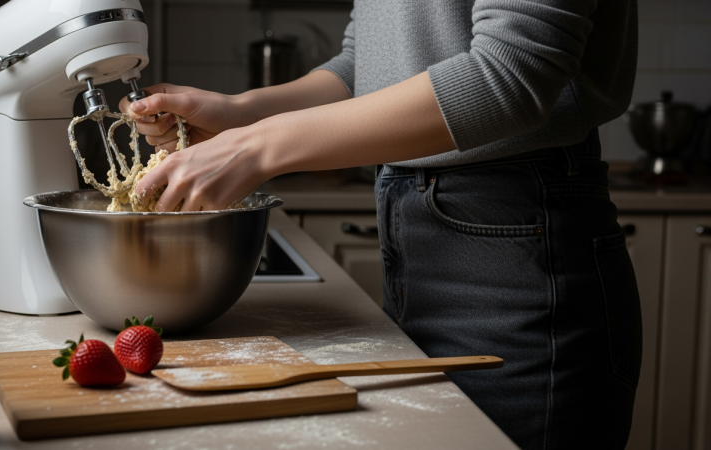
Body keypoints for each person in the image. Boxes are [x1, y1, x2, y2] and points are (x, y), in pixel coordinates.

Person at [120, 1, 642, 448]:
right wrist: (239, 113)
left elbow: (512, 72)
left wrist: (257, 146)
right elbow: (364, 66)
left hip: (517, 242)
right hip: (421, 229)